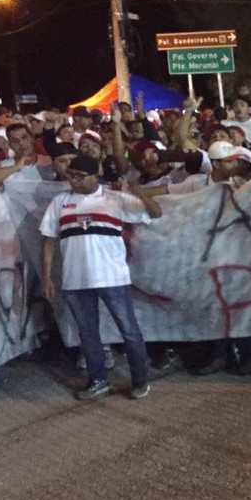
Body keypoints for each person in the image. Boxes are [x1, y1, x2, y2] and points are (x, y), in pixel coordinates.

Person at [39, 155, 162, 400]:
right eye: (70, 175)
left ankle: (139, 379)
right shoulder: (60, 202)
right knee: (88, 333)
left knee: (129, 330)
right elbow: (48, 241)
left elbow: (155, 214)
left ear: (95, 176)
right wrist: (46, 278)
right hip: (75, 280)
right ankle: (97, 380)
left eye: (79, 176)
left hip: (113, 278)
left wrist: (140, 194)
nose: (72, 180)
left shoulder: (114, 199)